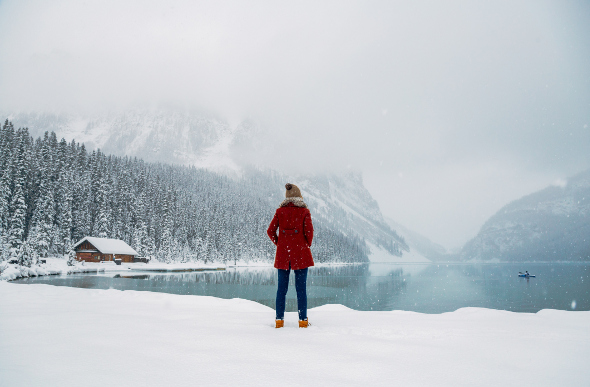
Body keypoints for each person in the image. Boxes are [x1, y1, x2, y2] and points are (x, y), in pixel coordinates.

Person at [267, 183, 314, 328]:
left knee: (281, 289)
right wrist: (305, 245)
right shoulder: (304, 212)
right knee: (301, 290)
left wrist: (280, 244)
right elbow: (309, 233)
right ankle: (303, 321)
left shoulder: (280, 211)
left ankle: (279, 321)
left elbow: (270, 231)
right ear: (299, 196)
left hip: (283, 256)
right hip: (301, 255)